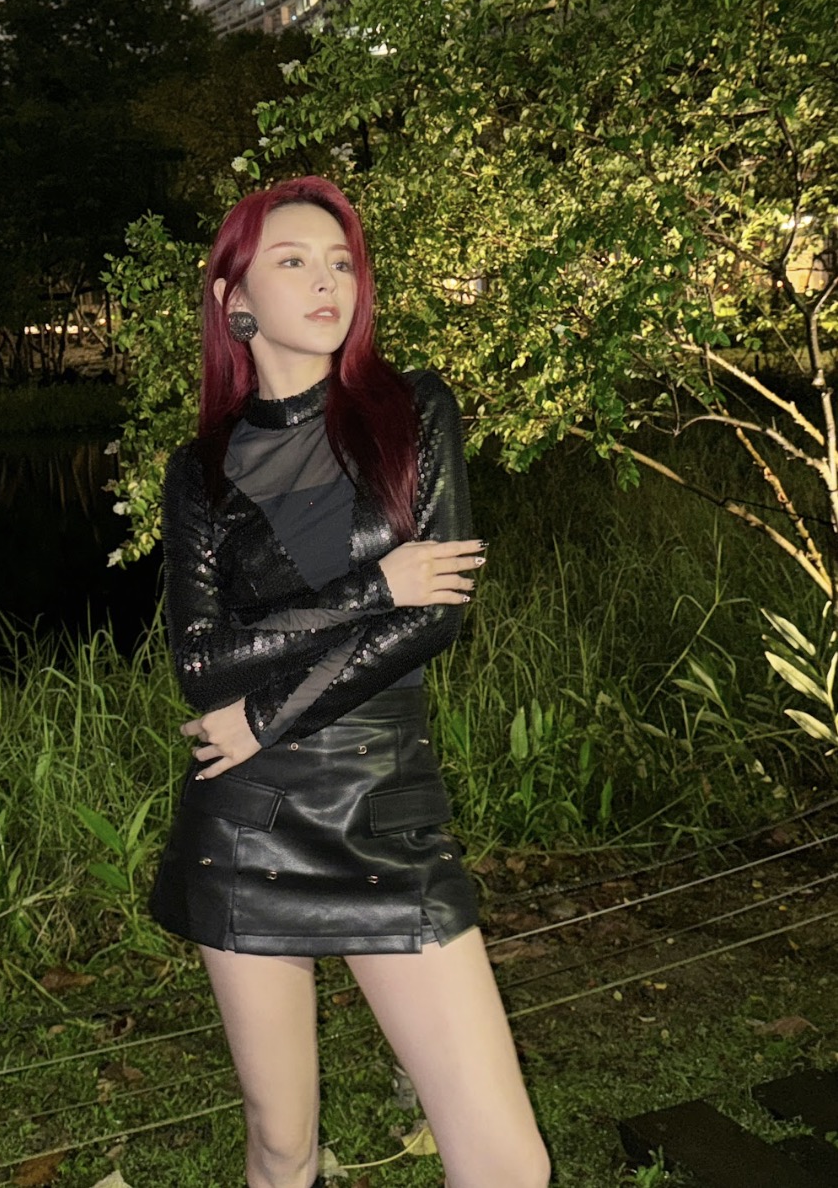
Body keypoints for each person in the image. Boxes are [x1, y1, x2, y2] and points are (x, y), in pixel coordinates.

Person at [149, 176, 550, 1188]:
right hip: (248, 825)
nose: (328, 281)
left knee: (509, 1164)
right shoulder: (202, 470)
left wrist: (265, 712)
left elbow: (434, 615)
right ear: (235, 298)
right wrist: (374, 584)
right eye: (293, 261)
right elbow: (199, 662)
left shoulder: (411, 411)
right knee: (283, 1146)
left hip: (387, 809)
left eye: (340, 263)